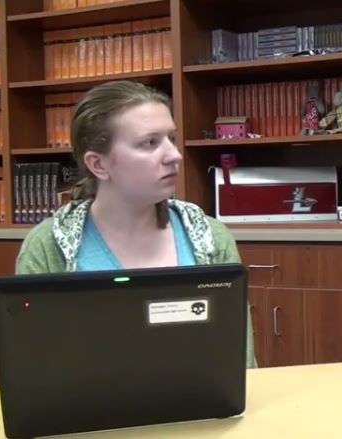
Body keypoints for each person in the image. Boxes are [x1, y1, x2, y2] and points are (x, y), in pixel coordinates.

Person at [15, 80, 256, 368]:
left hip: (201, 408)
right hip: (90, 412)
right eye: (150, 143)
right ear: (99, 165)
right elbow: (34, 368)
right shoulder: (47, 247)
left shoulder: (210, 238)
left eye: (171, 138)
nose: (174, 155)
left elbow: (240, 362)